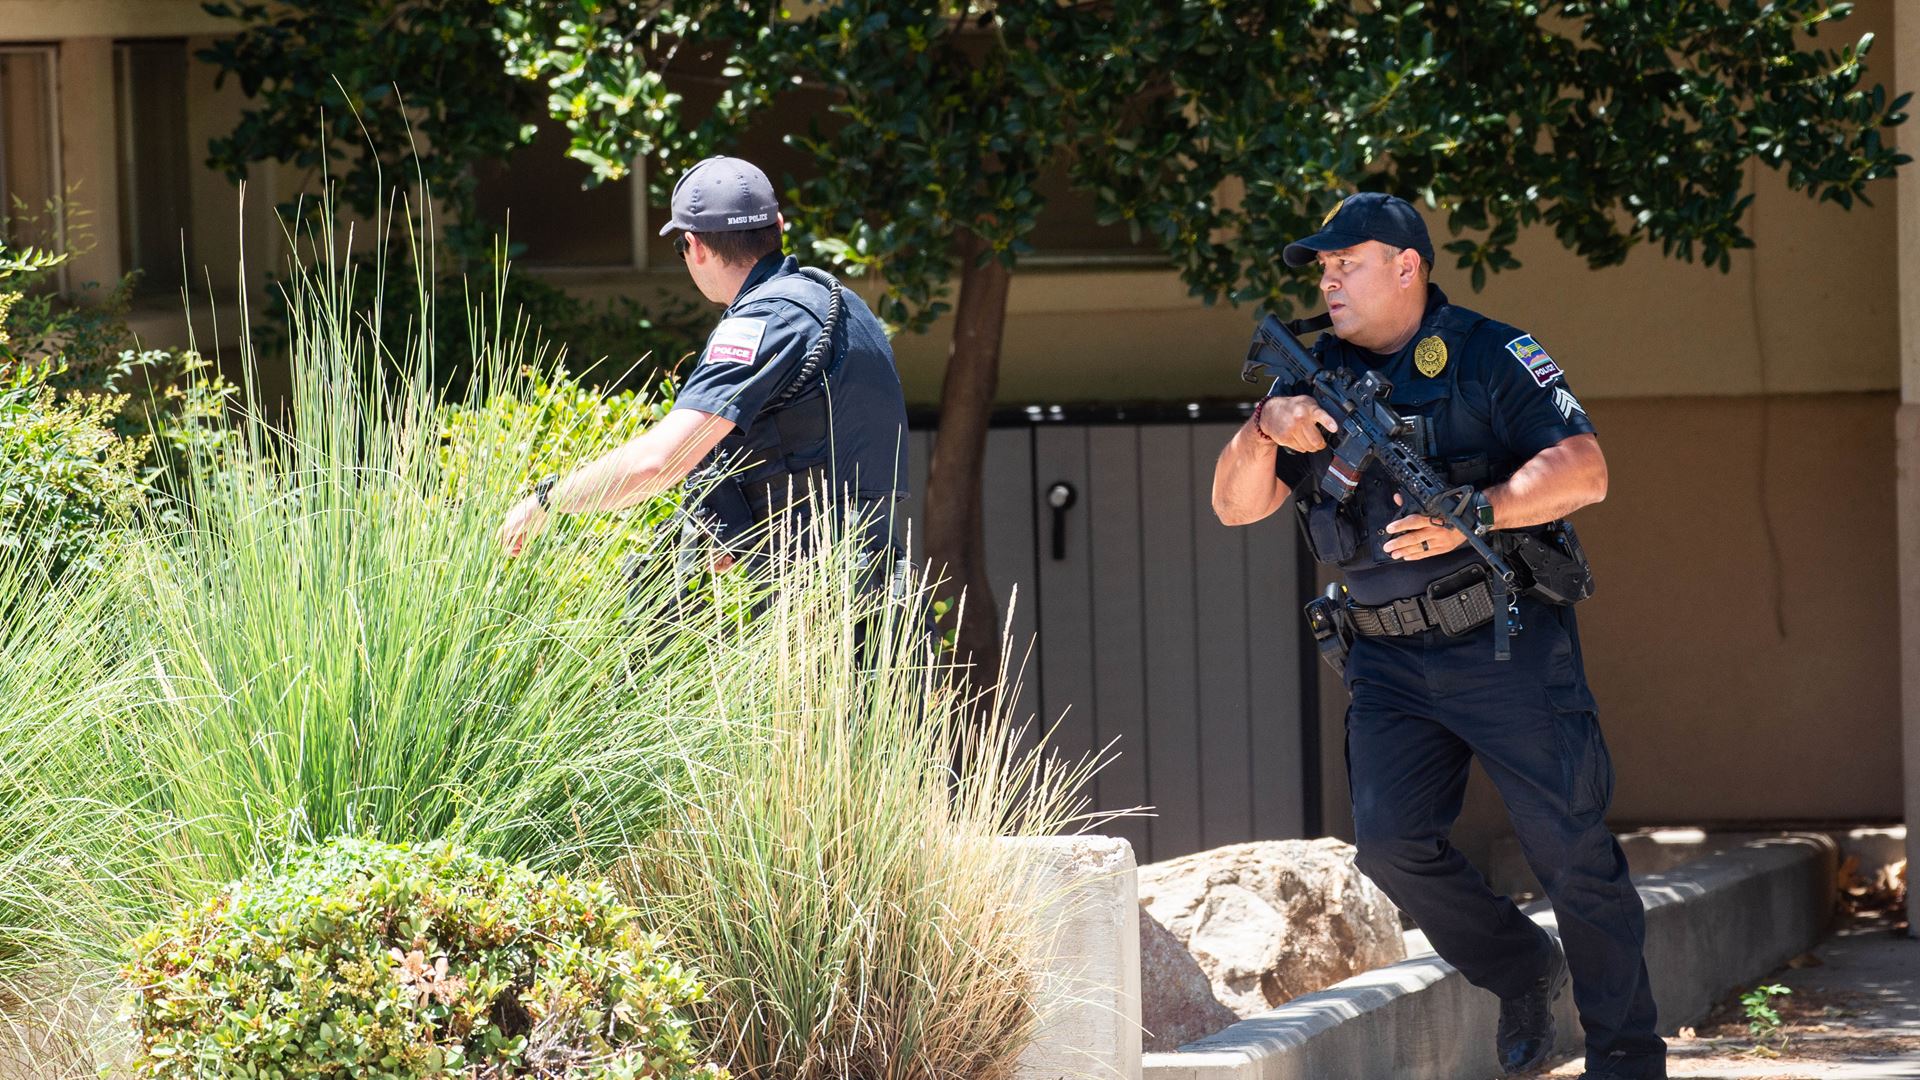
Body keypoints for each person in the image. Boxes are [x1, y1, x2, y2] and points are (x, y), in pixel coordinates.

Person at [1211, 192, 1665, 1080]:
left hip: (1504, 644)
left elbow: (1586, 469)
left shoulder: (1491, 353)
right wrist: (1267, 426)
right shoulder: (1308, 370)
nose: (1330, 281)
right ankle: (1522, 968)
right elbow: (1236, 506)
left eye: (1349, 264)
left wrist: (1479, 514)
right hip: (1385, 657)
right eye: (1324, 268)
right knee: (1390, 845)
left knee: (1573, 855)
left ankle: (1626, 1056)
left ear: (1408, 266)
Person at [498, 155, 910, 598]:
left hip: (812, 602)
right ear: (779, 224)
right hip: (890, 591)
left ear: (694, 247)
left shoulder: (761, 324)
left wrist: (547, 500)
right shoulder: (844, 308)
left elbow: (656, 463)